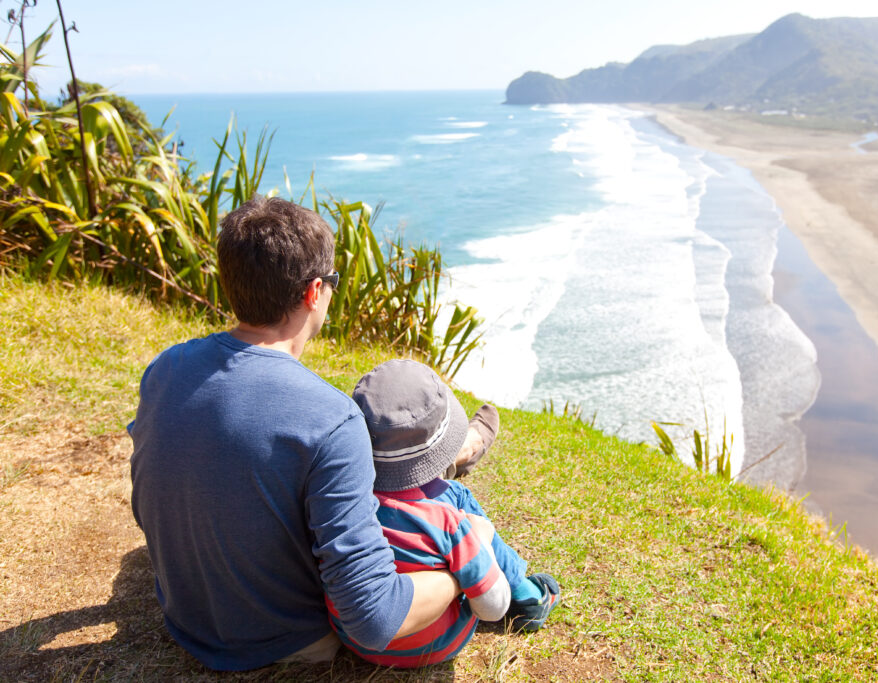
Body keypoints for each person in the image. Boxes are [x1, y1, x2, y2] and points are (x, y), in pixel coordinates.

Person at [128, 196, 460, 671]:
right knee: (443, 512)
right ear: (314, 292)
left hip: (185, 614)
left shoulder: (166, 369)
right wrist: (459, 573)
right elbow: (373, 617)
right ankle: (453, 465)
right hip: (287, 641)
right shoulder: (332, 418)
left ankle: (458, 455)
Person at [330, 359, 561, 668]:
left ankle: (463, 455)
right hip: (435, 643)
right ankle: (529, 598)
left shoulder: (341, 502)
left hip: (353, 639)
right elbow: (493, 608)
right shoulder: (447, 518)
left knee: (448, 494)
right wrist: (480, 543)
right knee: (456, 495)